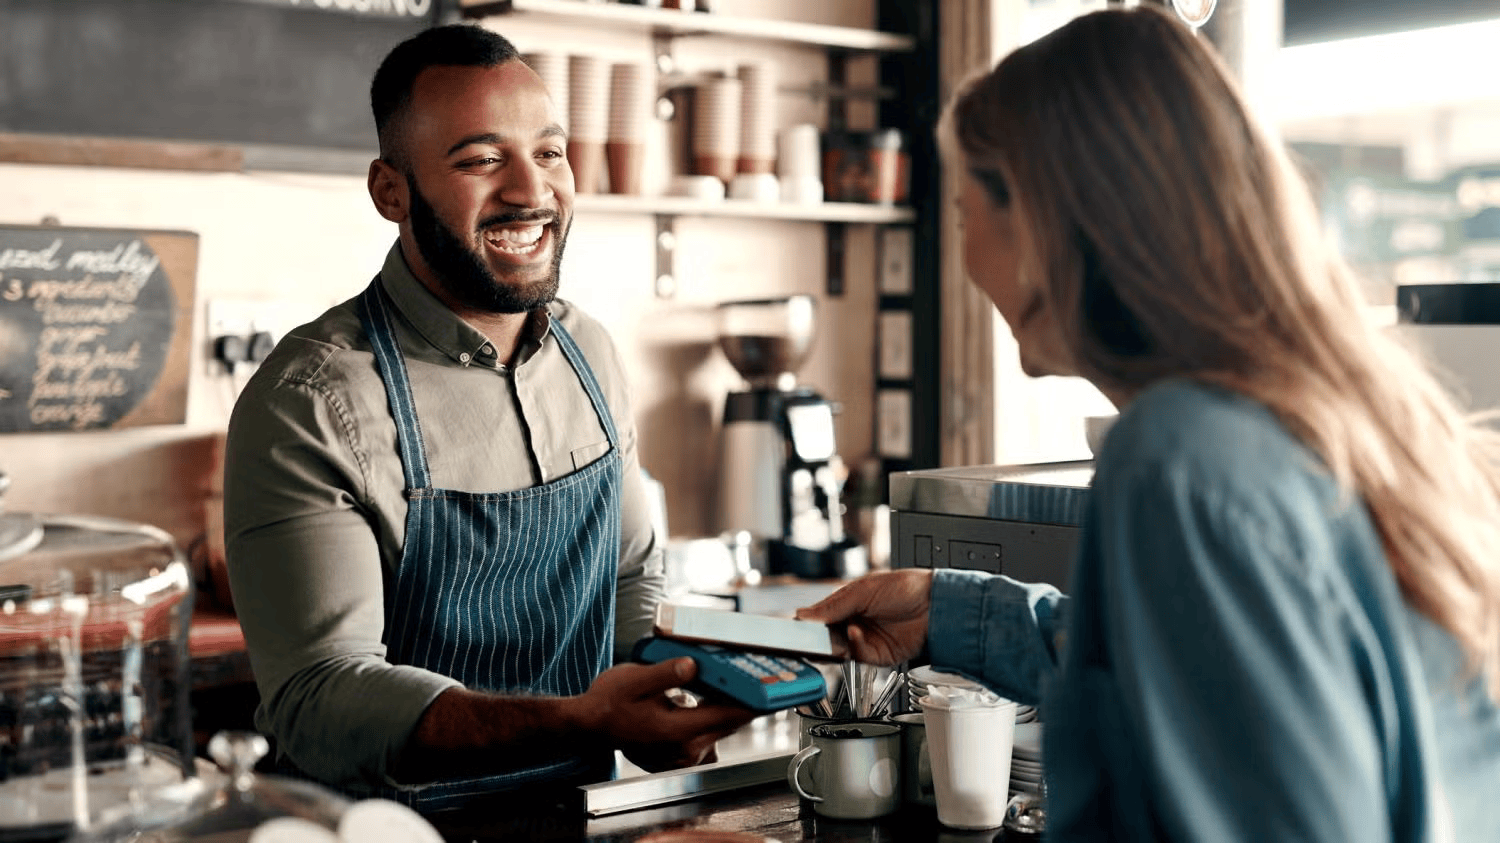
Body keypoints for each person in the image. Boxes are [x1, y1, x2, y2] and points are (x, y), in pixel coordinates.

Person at [797, 7, 1500, 841]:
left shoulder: (1177, 459)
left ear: (1043, 223)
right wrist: (948, 613)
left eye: (963, 212)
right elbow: (1218, 683)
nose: (965, 250)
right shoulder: (1353, 419)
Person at [222, 23, 755, 809]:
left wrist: (663, 684)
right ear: (389, 191)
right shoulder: (312, 400)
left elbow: (630, 571)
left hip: (579, 811)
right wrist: (580, 719)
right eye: (480, 160)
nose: (531, 191)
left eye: (548, 152)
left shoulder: (590, 352)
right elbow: (321, 699)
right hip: (384, 831)